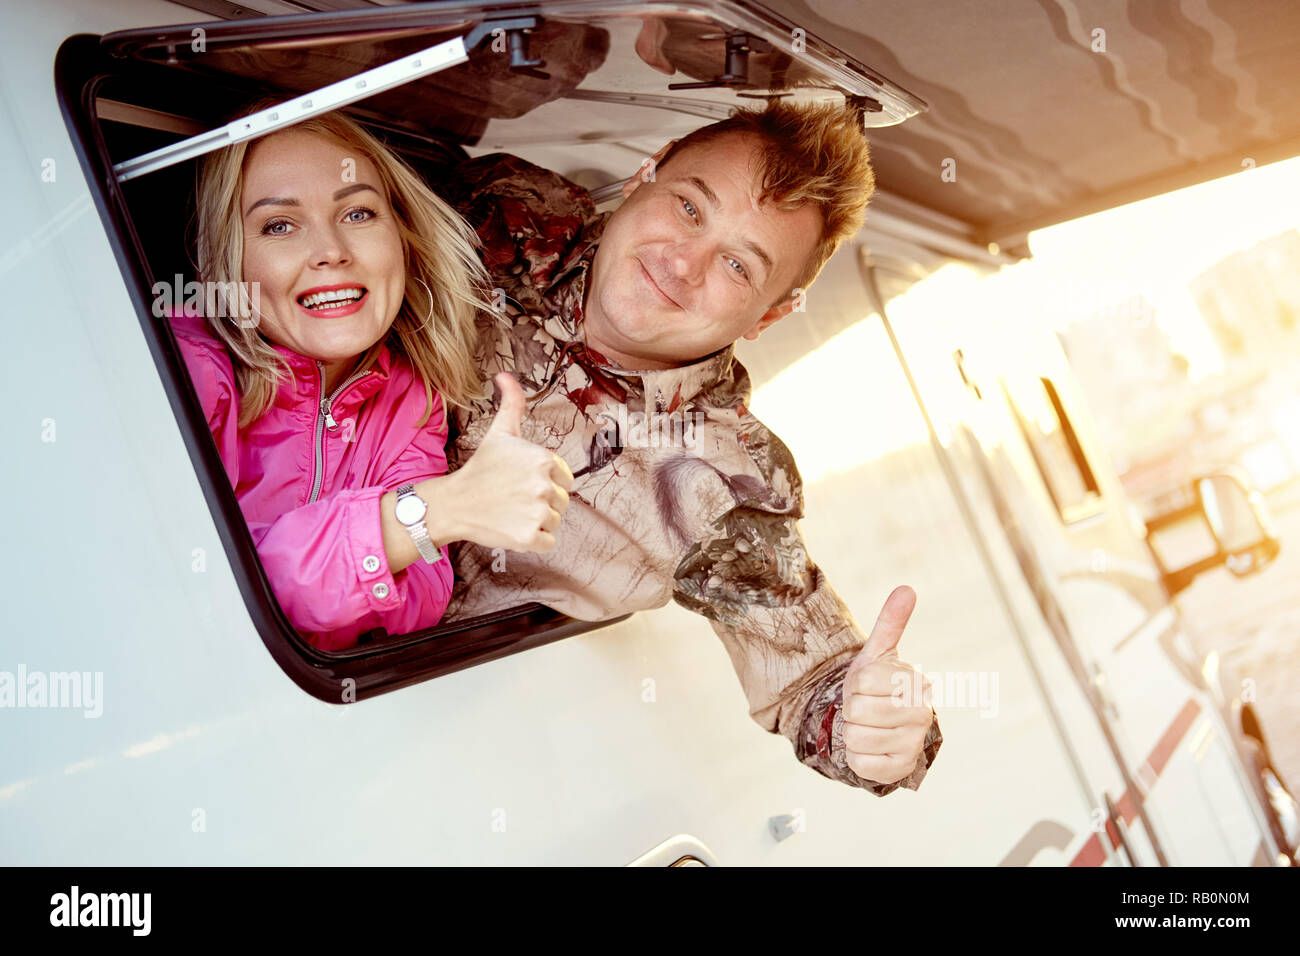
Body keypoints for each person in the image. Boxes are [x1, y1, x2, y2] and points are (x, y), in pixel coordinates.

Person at [439, 99, 943, 796]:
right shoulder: (501, 207)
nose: (682, 263)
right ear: (648, 170)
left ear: (769, 316)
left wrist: (878, 728)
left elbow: (816, 684)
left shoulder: (721, 480)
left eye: (737, 265)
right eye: (689, 209)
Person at [173, 108, 574, 651]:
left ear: (403, 237)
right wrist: (435, 512)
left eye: (358, 214)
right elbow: (193, 594)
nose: (332, 251)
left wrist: (398, 532)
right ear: (229, 261)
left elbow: (421, 600)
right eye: (279, 225)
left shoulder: (414, 396)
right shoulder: (183, 372)